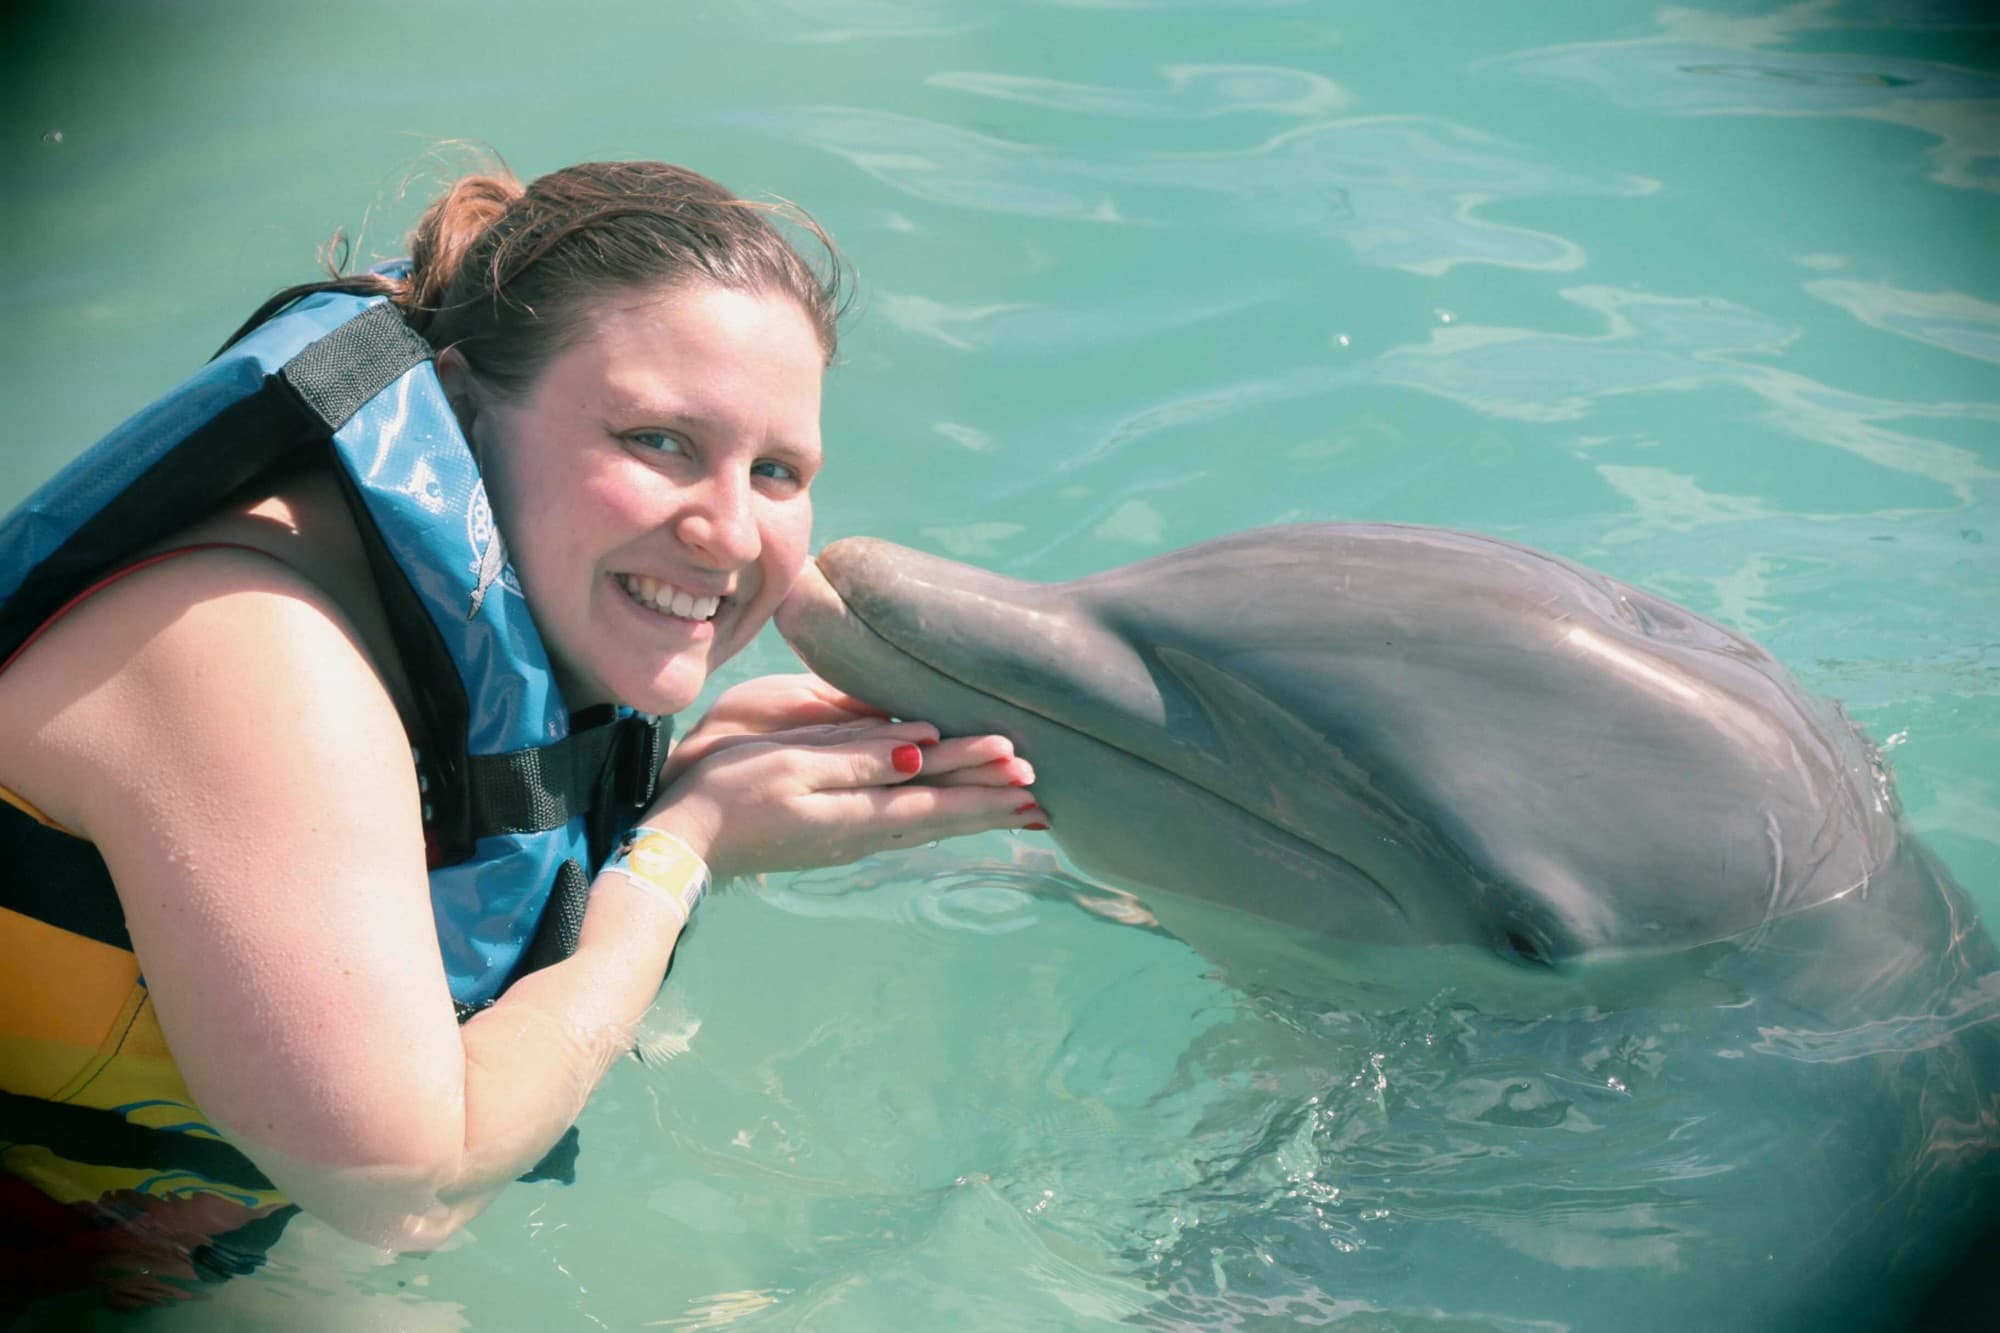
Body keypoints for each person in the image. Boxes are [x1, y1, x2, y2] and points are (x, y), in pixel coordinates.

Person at [0, 158, 1047, 1308]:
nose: (729, 531)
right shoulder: (253, 654)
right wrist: (677, 854)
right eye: (657, 439)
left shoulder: (470, 617)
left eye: (777, 470)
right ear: (454, 405)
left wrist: (684, 804)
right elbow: (406, 1186)